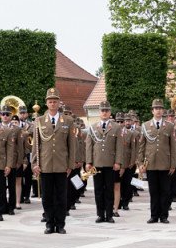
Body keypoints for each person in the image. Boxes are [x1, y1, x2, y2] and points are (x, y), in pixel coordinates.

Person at [32, 88, 76, 234]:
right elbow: (36, 145)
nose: (52, 104)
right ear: (46, 103)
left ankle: (61, 224)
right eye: (50, 101)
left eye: (55, 101)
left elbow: (72, 145)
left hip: (61, 165)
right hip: (45, 165)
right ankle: (50, 224)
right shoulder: (39, 121)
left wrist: (70, 164)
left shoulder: (68, 121)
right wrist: (35, 163)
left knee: (61, 197)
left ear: (58, 103)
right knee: (47, 197)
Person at [138, 98, 176, 224]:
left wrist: (173, 164)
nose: (158, 111)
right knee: (153, 191)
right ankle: (154, 215)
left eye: (160, 108)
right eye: (156, 108)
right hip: (150, 164)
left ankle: (164, 216)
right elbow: (141, 146)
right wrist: (140, 163)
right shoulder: (145, 126)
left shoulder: (170, 126)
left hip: (165, 163)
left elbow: (174, 147)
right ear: (152, 111)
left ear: (163, 111)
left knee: (165, 191)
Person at [85, 100, 121, 223]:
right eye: (102, 110)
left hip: (110, 164)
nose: (104, 113)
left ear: (110, 112)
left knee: (109, 190)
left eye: (106, 110)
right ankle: (100, 214)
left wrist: (118, 162)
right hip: (97, 163)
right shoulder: (93, 127)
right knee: (98, 190)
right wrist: (88, 161)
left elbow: (119, 147)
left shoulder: (116, 127)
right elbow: (89, 146)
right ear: (99, 112)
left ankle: (109, 215)